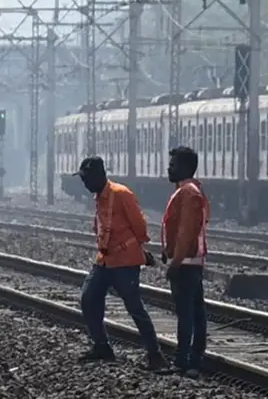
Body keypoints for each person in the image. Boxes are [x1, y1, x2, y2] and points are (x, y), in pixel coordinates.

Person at [75, 156, 167, 369]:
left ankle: (155, 355)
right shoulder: (99, 197)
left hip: (125, 262)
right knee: (88, 299)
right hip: (105, 260)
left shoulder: (121, 194)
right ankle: (102, 347)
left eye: (87, 179)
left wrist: (140, 250)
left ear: (99, 175)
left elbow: (139, 225)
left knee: (134, 307)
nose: (85, 183)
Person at [161, 146, 210, 378]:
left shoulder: (188, 193)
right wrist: (167, 251)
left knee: (187, 313)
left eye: (173, 164)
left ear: (184, 167)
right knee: (195, 311)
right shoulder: (188, 190)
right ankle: (193, 358)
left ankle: (184, 360)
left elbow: (186, 231)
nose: (169, 168)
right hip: (190, 261)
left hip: (187, 263)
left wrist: (176, 260)